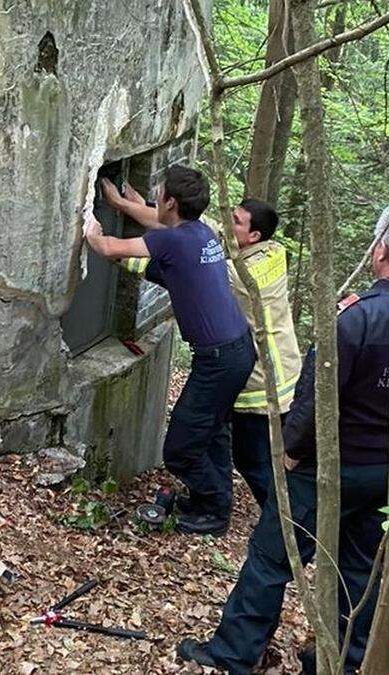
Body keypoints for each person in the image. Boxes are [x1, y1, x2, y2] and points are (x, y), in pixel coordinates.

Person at [175, 203, 389, 674]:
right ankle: (335, 661)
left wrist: (293, 451)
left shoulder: (356, 319)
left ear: (380, 251)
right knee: (360, 570)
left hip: (329, 468)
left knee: (271, 558)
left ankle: (234, 653)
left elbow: (317, 398)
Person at [101, 178, 302, 507]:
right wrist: (131, 206)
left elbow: (185, 261)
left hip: (264, 387)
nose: (227, 223)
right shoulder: (268, 249)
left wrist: (121, 256)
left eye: (236, 220)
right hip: (253, 371)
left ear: (254, 236)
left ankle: (285, 525)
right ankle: (228, 507)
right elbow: (194, 230)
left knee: (252, 461)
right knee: (220, 441)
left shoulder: (242, 275)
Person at [84, 165, 255, 535]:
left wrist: (90, 226)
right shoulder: (199, 232)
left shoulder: (173, 241)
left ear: (172, 202)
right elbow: (155, 221)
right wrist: (122, 203)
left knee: (179, 448)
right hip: (238, 350)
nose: (153, 200)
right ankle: (214, 504)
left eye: (158, 194)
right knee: (213, 433)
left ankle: (211, 507)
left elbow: (109, 246)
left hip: (220, 359)